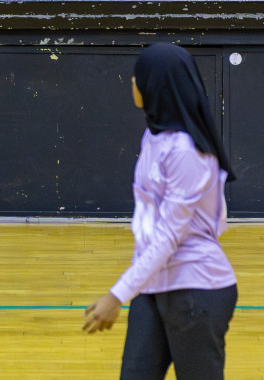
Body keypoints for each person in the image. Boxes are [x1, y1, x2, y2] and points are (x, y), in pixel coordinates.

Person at [83, 43, 238, 380]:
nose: (132, 81)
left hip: (197, 291)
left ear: (155, 85)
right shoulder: (153, 138)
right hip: (154, 288)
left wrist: (117, 294)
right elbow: (151, 227)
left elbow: (170, 235)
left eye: (139, 76)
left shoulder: (188, 152)